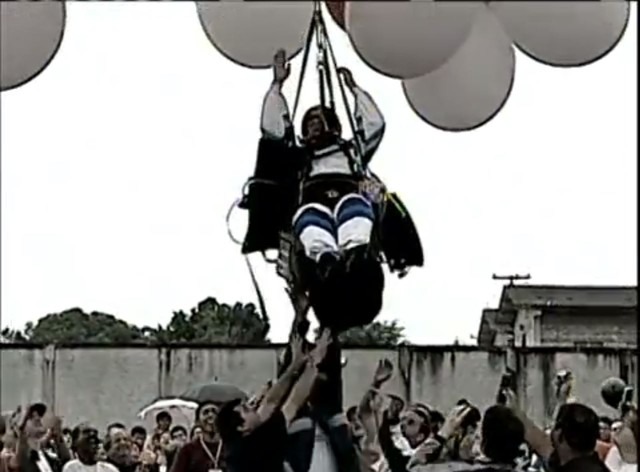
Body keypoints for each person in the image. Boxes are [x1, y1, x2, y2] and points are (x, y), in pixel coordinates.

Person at [260, 49, 386, 331]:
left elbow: (375, 125)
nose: (314, 129)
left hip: (347, 200)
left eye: (319, 122)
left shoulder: (350, 152)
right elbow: (271, 131)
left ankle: (355, 252)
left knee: (353, 207)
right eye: (310, 124)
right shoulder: (300, 158)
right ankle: (326, 259)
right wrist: (277, 85)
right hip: (313, 204)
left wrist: (354, 91)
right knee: (311, 217)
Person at [216, 330, 332, 472]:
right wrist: (315, 362)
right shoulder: (258, 443)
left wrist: (294, 366)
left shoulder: (237, 442)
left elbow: (270, 401)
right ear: (242, 427)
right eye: (246, 410)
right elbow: (294, 402)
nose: (253, 407)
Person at [169, 402, 223, 472]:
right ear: (197, 422)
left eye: (214, 412)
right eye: (205, 412)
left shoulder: (232, 448)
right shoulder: (187, 450)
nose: (210, 415)